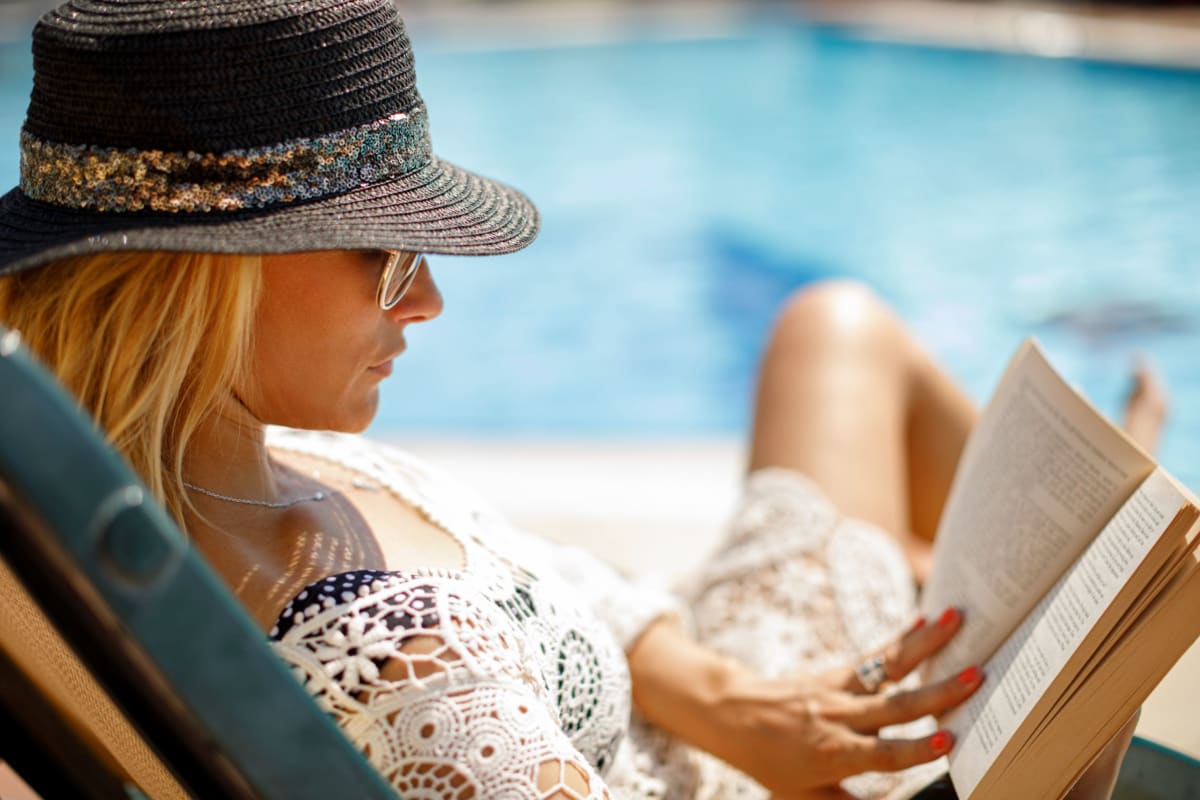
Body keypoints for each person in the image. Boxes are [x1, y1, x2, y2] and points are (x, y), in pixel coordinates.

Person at [0, 2, 1158, 798]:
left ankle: (1049, 539)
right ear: (210, 280)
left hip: (726, 707)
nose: (430, 304)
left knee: (833, 326)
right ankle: (1096, 544)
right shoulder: (415, 665)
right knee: (1120, 580)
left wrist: (718, 693)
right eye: (391, 258)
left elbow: (545, 574)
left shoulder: (191, 474)